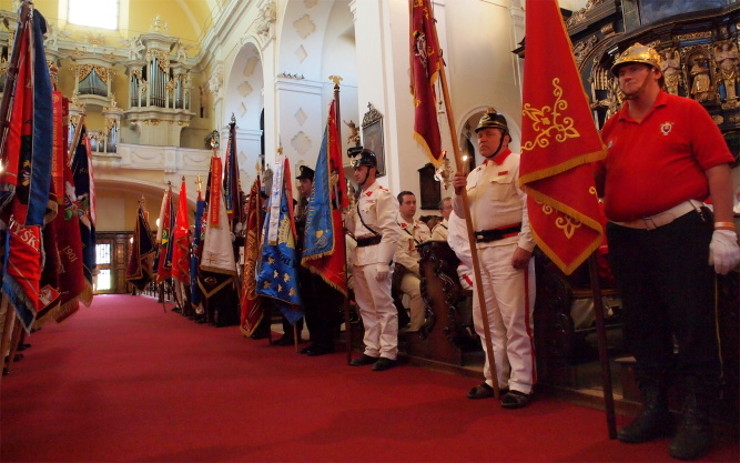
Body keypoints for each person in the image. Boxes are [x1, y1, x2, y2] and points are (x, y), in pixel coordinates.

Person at [596, 43, 740, 461]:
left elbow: (717, 166)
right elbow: (595, 178)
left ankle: (700, 414)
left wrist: (725, 228)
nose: (625, 77)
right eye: (620, 72)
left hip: (678, 231)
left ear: (656, 72)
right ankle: (656, 406)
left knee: (692, 321)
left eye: (634, 70)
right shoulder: (612, 126)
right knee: (642, 325)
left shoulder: (685, 111)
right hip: (627, 237)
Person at [451, 108, 536, 409]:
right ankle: (495, 377)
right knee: (485, 321)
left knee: (515, 320)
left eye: (488, 134)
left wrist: (525, 246)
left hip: (509, 246)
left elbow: (532, 208)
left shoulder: (518, 164)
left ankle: (522, 382)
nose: (482, 140)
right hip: (481, 251)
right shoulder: (474, 173)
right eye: (479, 135)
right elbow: (463, 215)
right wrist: (458, 193)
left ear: (505, 137)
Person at [344, 149, 401, 371]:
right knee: (366, 306)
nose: (356, 173)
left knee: (383, 305)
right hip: (360, 254)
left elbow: (391, 231)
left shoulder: (383, 195)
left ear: (371, 170)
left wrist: (384, 261)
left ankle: (388, 351)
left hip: (377, 253)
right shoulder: (358, 198)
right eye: (355, 169)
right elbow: (355, 229)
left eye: (359, 168)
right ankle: (371, 348)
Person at [294, 165, 342, 356]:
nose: (301, 185)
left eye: (304, 181)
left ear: (314, 184)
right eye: (300, 182)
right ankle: (315, 339)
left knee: (322, 302)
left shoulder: (322, 204)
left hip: (319, 262)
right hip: (306, 260)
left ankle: (325, 341)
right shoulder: (306, 205)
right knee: (309, 302)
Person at [394, 191, 431, 333]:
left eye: (414, 202)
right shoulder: (394, 227)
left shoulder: (423, 226)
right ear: (399, 206)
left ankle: (436, 328)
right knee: (418, 289)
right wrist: (420, 269)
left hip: (425, 269)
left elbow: (430, 249)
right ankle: (416, 331)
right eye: (408, 203)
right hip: (403, 272)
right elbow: (399, 255)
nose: (412, 206)